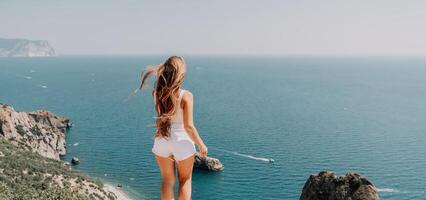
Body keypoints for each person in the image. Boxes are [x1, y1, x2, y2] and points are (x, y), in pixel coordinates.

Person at [138, 56, 208, 200]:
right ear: (180, 73)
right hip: (182, 141)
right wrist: (201, 145)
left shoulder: (158, 93)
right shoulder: (186, 95)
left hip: (162, 139)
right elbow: (189, 126)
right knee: (185, 180)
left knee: (167, 181)